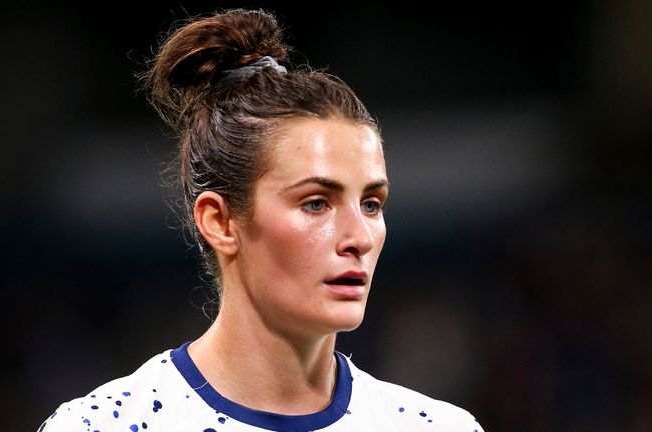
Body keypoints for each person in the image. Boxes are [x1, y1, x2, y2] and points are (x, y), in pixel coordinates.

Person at [38, 8, 485, 432]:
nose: (359, 238)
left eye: (371, 203)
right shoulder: (104, 424)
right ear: (219, 221)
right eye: (316, 203)